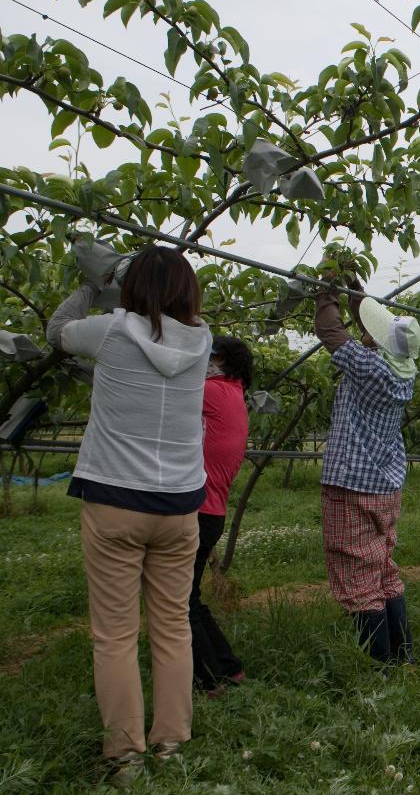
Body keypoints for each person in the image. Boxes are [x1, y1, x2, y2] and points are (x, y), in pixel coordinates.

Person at [46, 245, 211, 780]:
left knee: (115, 635)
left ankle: (124, 756)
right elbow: (173, 321)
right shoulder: (203, 340)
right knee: (172, 627)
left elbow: (58, 331)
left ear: (130, 289)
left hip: (116, 500)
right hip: (180, 505)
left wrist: (94, 285)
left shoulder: (110, 330)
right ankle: (171, 746)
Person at [315, 275, 420, 665]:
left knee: (359, 578)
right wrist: (357, 291)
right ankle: (402, 657)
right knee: (383, 571)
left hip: (353, 486)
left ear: (379, 345)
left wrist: (326, 289)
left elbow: (329, 330)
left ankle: (378, 668)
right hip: (385, 486)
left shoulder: (370, 368)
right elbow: (372, 328)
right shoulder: (402, 373)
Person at [190, 336, 252, 695]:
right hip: (211, 512)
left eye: (210, 356)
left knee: (180, 602)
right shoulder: (233, 395)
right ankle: (227, 667)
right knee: (189, 597)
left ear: (223, 361)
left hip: (197, 511)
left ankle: (210, 679)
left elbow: (163, 386)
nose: (204, 361)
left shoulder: (211, 392)